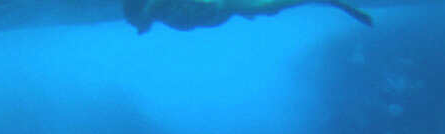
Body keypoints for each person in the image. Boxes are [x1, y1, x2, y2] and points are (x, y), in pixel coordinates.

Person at [123, 0, 372, 34]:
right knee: (270, 6)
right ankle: (342, 6)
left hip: (228, 5)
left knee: (270, 5)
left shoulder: (156, 10)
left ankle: (342, 6)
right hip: (230, 8)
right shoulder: (169, 18)